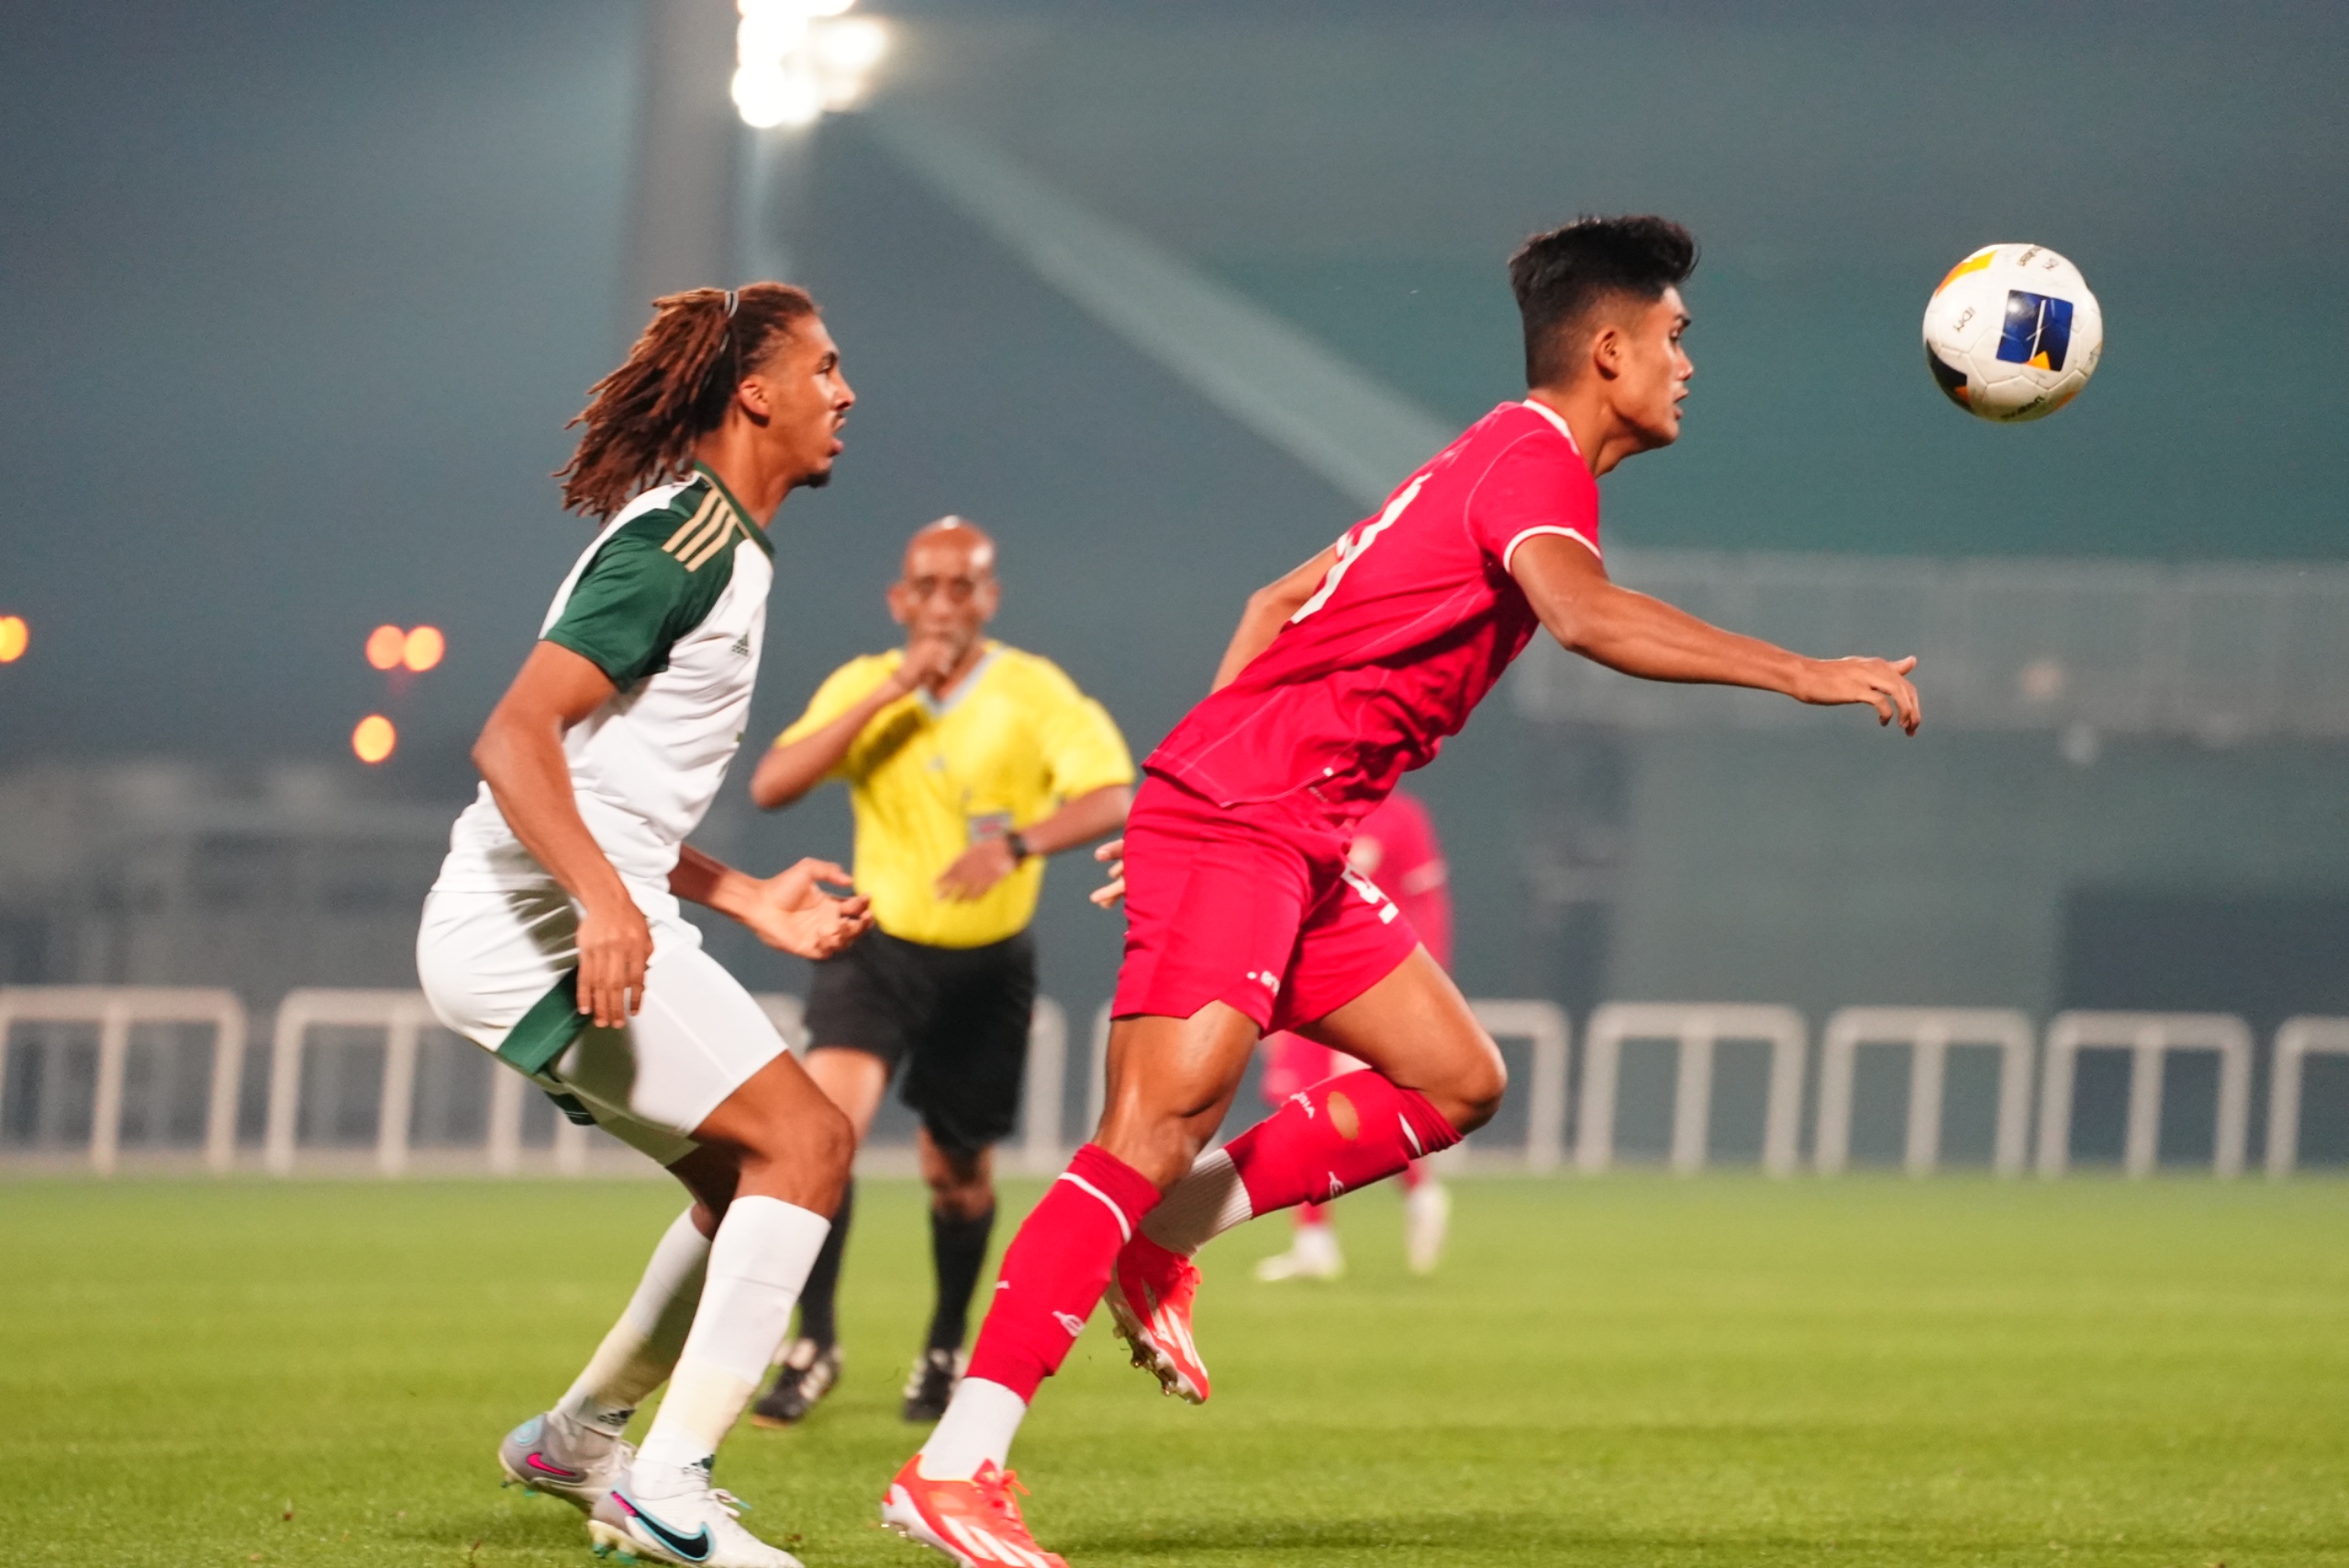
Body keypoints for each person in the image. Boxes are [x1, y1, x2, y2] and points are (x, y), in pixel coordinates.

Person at [878, 215, 1923, 1568]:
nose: (1686, 363)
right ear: (1607, 350)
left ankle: (1165, 1239)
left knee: (1457, 1078)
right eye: (1675, 337)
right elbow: (1588, 618)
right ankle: (954, 1468)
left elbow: (1275, 602)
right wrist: (1804, 672)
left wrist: (1197, 781)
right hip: (1251, 822)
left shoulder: (1487, 457)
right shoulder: (1535, 462)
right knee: (1146, 1128)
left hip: (1282, 828)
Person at [416, 282, 871, 1568]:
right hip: (532, 923)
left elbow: (609, 786)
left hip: (552, 911)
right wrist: (611, 905)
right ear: (755, 391)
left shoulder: (724, 541)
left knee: (744, 1183)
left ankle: (582, 1440)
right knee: (810, 1144)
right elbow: (514, 736)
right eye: (825, 368)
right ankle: (668, 1485)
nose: (846, 394)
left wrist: (742, 895)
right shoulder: (687, 542)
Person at [744, 517, 1135, 1428]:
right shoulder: (866, 684)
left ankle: (944, 1342)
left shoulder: (1032, 691)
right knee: (823, 1137)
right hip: (874, 948)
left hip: (985, 967)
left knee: (954, 1171)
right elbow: (772, 783)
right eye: (928, 585)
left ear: (989, 598)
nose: (946, 602)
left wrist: (1020, 845)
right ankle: (815, 1340)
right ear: (900, 598)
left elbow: (1114, 793)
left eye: (965, 586)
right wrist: (892, 685)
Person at [1251, 785, 1453, 1283]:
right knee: (1297, 1104)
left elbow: (1428, 902)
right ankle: (1314, 1240)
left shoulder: (1401, 816)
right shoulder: (1301, 810)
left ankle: (1419, 1189)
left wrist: (1425, 989)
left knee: (1352, 1114)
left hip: (1372, 984)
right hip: (1303, 976)